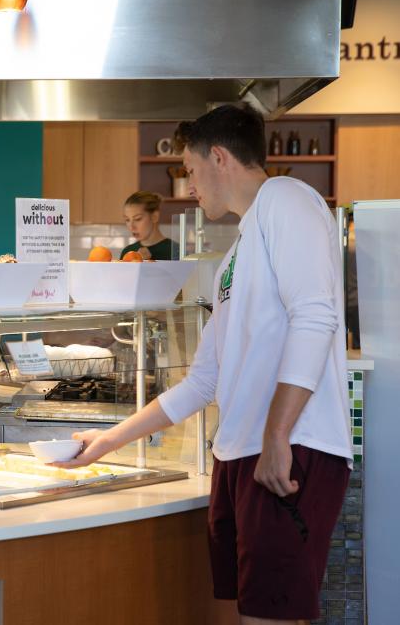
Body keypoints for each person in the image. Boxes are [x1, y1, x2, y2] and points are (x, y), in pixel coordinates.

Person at [59, 104, 352, 625]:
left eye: (190, 171)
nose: (189, 185)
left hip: (290, 446)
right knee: (250, 614)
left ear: (219, 157)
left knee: (270, 618)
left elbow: (315, 316)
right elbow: (204, 382)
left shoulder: (287, 199)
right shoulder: (234, 256)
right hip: (240, 453)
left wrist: (278, 436)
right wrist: (106, 441)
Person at [120, 191, 177, 260]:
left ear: (154, 217)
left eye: (138, 219)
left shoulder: (175, 251)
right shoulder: (127, 251)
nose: (131, 227)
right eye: (127, 220)